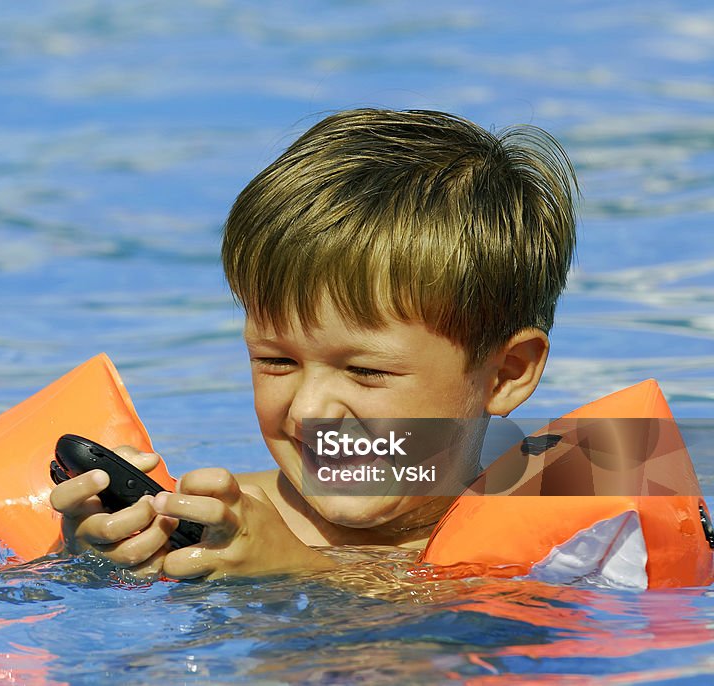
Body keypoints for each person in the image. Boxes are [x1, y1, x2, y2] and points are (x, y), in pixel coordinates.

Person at [49, 108, 578, 580]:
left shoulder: (570, 520)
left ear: (507, 373)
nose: (307, 410)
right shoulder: (218, 517)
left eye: (365, 371)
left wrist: (299, 573)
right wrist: (84, 561)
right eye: (277, 360)